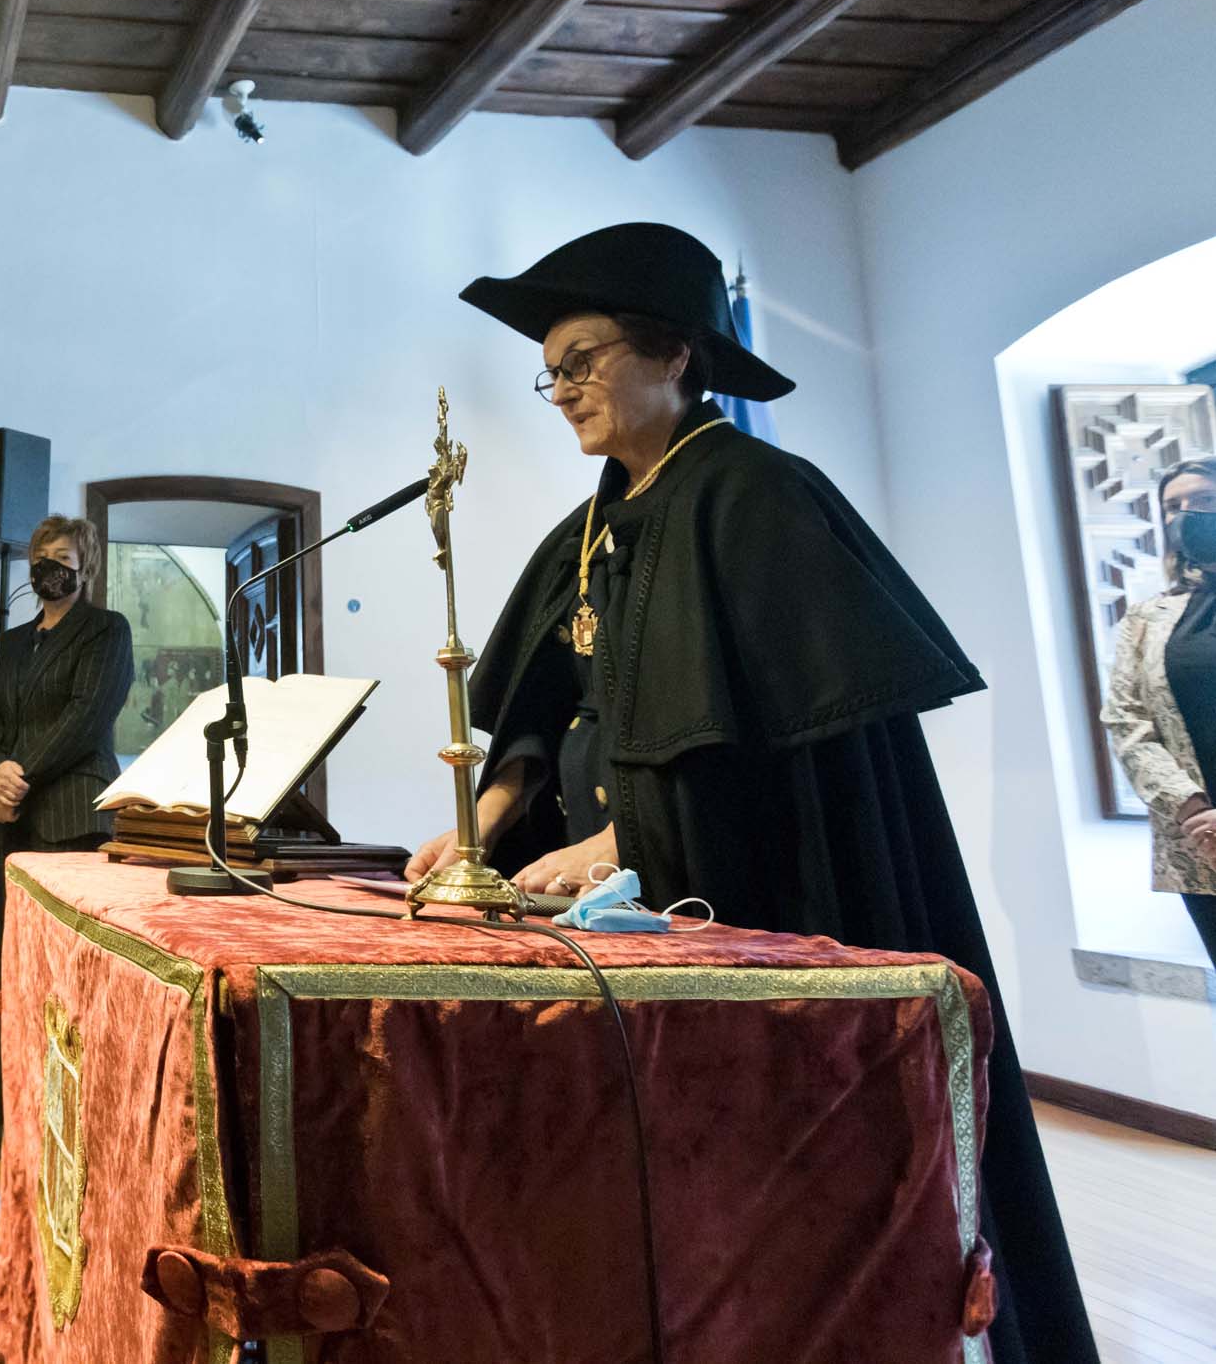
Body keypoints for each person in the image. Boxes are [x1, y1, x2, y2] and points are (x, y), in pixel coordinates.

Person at [406, 222, 1095, 1364]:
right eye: (551, 370)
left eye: (581, 360)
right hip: (613, 924)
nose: (559, 389)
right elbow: (538, 707)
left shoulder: (759, 497)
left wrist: (623, 840)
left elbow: (776, 758)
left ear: (674, 352)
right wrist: (479, 828)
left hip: (753, 909)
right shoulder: (591, 527)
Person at [0, 514, 133, 1161]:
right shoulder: (14, 642)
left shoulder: (106, 630)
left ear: (85, 566)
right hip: (9, 822)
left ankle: (66, 1125)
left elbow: (86, 716)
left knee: (64, 980)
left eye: (63, 556)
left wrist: (21, 774)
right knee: (6, 971)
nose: (49, 566)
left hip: (72, 820)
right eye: (42, 555)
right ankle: (8, 1113)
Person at [1102, 457, 1216, 966]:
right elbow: (1126, 721)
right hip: (1204, 845)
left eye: (1205, 501)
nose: (1187, 515)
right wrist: (1193, 810)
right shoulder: (1148, 617)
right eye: (1174, 507)